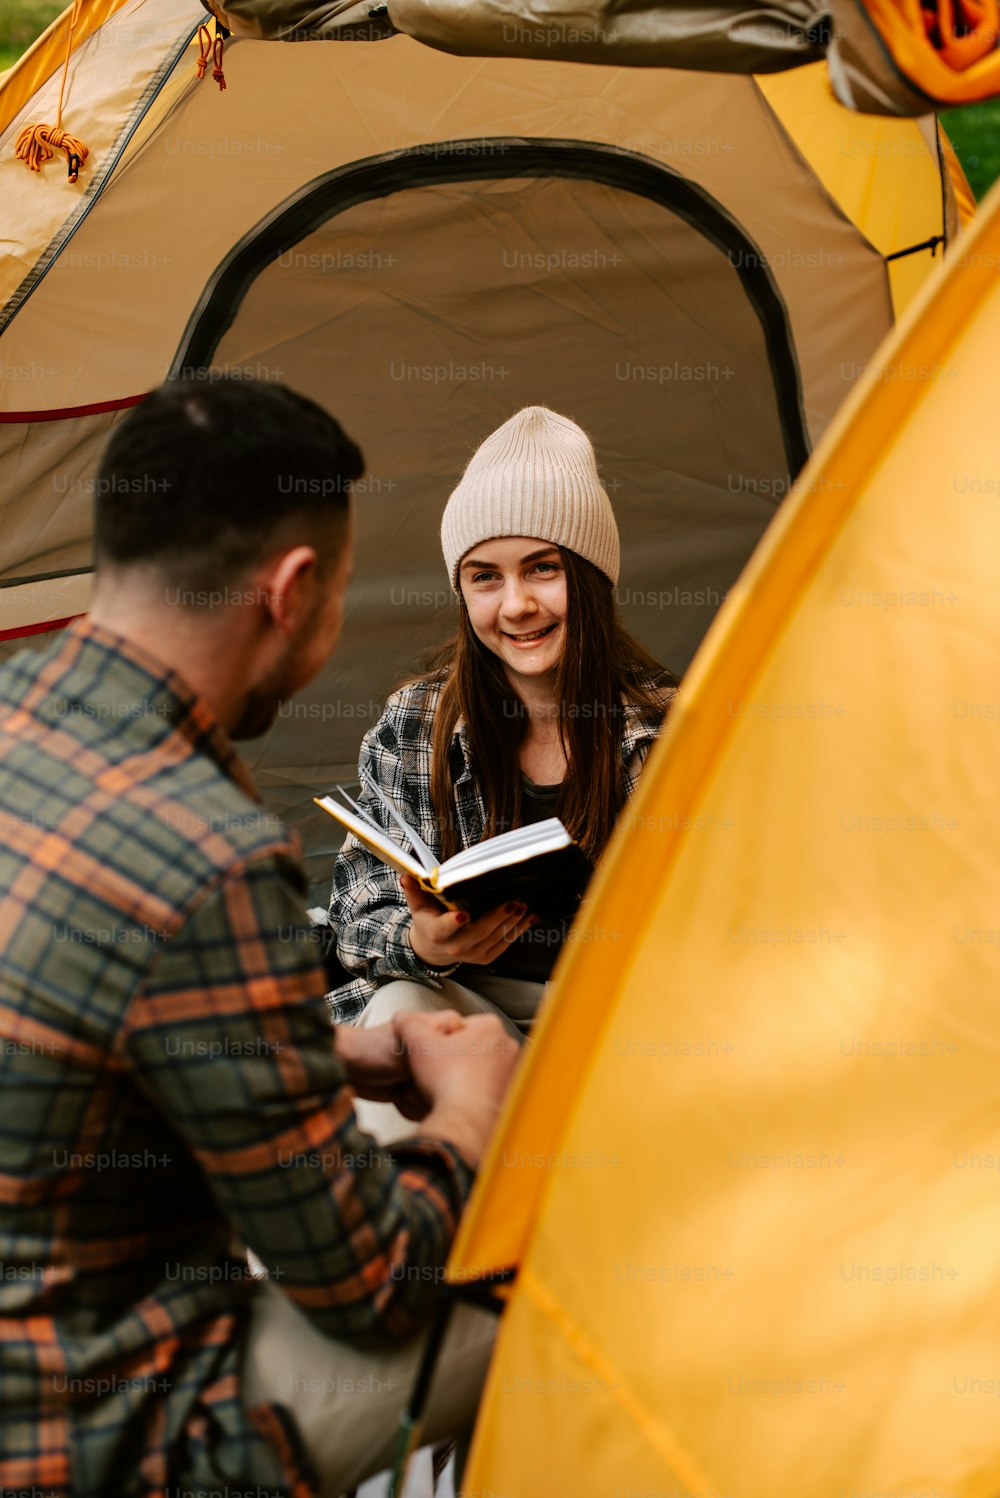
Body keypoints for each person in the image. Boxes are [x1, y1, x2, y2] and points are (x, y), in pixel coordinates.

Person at [0, 377, 520, 1498]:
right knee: (561, 1269)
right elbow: (370, 1280)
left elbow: (64, 1029)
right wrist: (475, 1113)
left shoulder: (16, 719)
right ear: (291, 592)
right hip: (92, 1437)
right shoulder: (208, 855)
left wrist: (325, 1052)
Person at [329, 406, 678, 1057]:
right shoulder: (415, 723)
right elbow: (356, 918)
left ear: (592, 577)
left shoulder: (671, 732)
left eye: (542, 568)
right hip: (469, 1012)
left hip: (626, 1030)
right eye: (485, 577)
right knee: (398, 1009)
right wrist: (421, 942)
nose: (516, 605)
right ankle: (419, 1163)